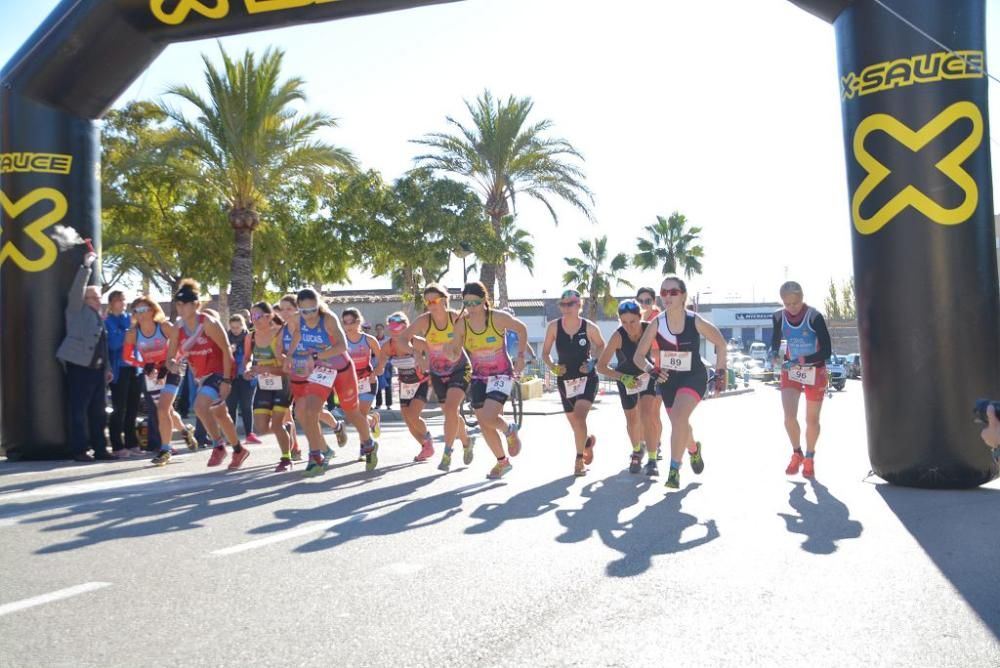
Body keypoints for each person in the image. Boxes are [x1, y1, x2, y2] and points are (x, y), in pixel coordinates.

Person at [634, 276, 727, 490]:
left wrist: (720, 376)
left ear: (683, 295)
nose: (667, 296)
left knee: (678, 419)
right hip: (668, 381)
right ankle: (693, 450)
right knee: (680, 423)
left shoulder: (694, 320)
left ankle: (674, 471)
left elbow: (721, 343)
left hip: (693, 377)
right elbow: (639, 356)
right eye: (663, 292)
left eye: (673, 292)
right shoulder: (657, 323)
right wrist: (653, 371)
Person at [285, 288, 378, 476]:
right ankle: (316, 456)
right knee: (309, 411)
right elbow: (296, 334)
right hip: (322, 370)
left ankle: (369, 444)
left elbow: (342, 346)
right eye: (304, 311)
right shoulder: (296, 319)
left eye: (312, 310)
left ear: (318, 306)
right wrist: (290, 355)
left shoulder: (328, 319)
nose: (309, 315)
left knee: (352, 413)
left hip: (342, 369)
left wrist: (317, 354)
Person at [165, 280, 245, 469]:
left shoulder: (208, 323)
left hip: (219, 371)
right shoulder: (177, 328)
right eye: (178, 304)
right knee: (221, 415)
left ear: (196, 305)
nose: (181, 308)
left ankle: (218, 446)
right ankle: (239, 449)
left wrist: (227, 380)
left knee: (200, 407)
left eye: (185, 304)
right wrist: (173, 365)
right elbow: (170, 358)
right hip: (201, 376)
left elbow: (227, 351)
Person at [452, 282, 527, 478]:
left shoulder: (498, 318)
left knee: (488, 417)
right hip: (478, 376)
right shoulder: (462, 323)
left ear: (484, 300)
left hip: (501, 374)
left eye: (475, 303)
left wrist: (520, 356)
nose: (471, 308)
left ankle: (509, 430)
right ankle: (502, 462)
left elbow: (522, 329)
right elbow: (455, 349)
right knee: (484, 423)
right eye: (466, 303)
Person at [400, 284, 474, 463]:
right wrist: (417, 355)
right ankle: (466, 442)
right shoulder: (425, 320)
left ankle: (447, 452)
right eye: (428, 301)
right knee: (450, 413)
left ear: (444, 300)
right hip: (438, 372)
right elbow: (403, 339)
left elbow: (472, 336)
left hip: (460, 369)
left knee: (450, 409)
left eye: (435, 300)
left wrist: (457, 347)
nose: (431, 304)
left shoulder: (455, 317)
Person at [56, 249, 114, 462]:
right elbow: (76, 290)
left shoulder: (98, 317)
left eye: (100, 297)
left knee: (99, 412)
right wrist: (86, 266)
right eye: (95, 298)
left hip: (97, 371)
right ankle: (79, 450)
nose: (99, 301)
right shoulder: (76, 309)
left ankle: (100, 449)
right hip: (79, 368)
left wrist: (107, 368)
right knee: (79, 411)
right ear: (85, 298)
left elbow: (102, 345)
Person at [769, 281, 832, 478]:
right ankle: (796, 453)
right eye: (787, 304)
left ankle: (810, 457)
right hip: (791, 370)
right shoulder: (778, 317)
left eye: (795, 303)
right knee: (789, 417)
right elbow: (776, 343)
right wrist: (775, 355)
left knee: (811, 419)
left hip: (815, 370)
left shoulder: (814, 316)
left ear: (802, 299)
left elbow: (827, 351)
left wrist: (804, 360)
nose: (792, 308)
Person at [121, 295, 194, 461]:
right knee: (167, 411)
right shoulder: (132, 333)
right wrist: (144, 365)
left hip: (171, 369)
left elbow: (183, 348)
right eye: (136, 310)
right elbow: (126, 357)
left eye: (144, 309)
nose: (140, 314)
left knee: (162, 409)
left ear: (153, 310)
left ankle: (165, 449)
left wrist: (169, 362)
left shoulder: (164, 327)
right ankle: (184, 430)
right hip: (151, 374)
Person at [542, 289, 606, 476]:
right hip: (565, 381)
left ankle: (579, 460)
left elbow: (602, 345)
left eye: (570, 304)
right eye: (562, 304)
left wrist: (593, 362)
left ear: (579, 305)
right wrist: (553, 367)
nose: (566, 308)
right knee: (575, 423)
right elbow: (545, 353)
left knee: (579, 417)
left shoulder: (588, 326)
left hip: (587, 379)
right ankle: (586, 443)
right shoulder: (554, 326)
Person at [597, 299, 660, 476]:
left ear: (640, 317)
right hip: (626, 379)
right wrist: (623, 378)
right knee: (632, 420)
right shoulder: (618, 336)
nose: (628, 326)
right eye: (624, 322)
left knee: (648, 414)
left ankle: (653, 459)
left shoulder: (650, 329)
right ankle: (637, 450)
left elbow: (664, 349)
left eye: (632, 321)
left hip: (647, 376)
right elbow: (601, 366)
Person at [374, 312, 434, 460]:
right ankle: (425, 447)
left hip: (422, 382)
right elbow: (380, 367)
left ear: (407, 328)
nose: (396, 332)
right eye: (392, 328)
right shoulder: (387, 347)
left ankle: (428, 439)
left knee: (413, 414)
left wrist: (432, 375)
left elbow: (434, 357)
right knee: (408, 420)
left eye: (399, 328)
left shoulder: (417, 342)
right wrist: (369, 375)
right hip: (405, 385)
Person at [245, 302, 296, 471]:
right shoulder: (250, 337)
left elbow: (287, 367)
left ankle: (286, 458)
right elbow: (246, 360)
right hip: (264, 384)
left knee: (275, 425)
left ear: (268, 317)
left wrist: (267, 368)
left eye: (257, 316)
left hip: (283, 383)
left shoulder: (279, 335)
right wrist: (247, 370)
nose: (254, 320)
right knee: (261, 427)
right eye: (251, 317)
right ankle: (286, 430)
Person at [342, 308, 383, 459]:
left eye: (351, 322)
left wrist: (375, 372)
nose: (348, 326)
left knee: (360, 415)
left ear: (358, 322)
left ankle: (364, 447)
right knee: (355, 417)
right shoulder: (342, 341)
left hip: (368, 381)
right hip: (349, 383)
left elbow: (382, 358)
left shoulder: (369, 339)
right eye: (344, 323)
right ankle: (373, 421)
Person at [105, 290, 142, 458]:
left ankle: (131, 442)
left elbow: (139, 338)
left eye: (124, 300)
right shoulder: (108, 321)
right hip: (118, 368)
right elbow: (113, 344)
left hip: (135, 367)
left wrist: (126, 335)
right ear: (111, 303)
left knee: (133, 407)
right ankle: (117, 444)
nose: (122, 303)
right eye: (119, 300)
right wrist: (127, 335)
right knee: (120, 408)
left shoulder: (131, 319)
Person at [636, 286, 664, 460]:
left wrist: (647, 357)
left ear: (654, 302)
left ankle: (657, 444)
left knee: (653, 412)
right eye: (640, 301)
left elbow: (659, 350)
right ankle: (640, 446)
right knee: (639, 412)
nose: (644, 304)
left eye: (648, 301)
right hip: (637, 372)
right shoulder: (633, 320)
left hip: (657, 371)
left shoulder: (658, 320)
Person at [225, 314, 258, 444]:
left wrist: (251, 369)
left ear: (243, 326)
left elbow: (255, 355)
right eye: (233, 327)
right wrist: (229, 351)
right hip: (231, 376)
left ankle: (249, 434)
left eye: (237, 327)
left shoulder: (250, 338)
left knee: (246, 405)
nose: (235, 330)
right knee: (231, 406)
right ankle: (231, 435)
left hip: (247, 375)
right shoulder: (226, 338)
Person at [373, 322, 393, 410]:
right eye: (377, 329)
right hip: (377, 365)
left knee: (388, 385)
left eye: (380, 329)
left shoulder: (389, 340)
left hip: (388, 365)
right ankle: (378, 404)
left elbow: (393, 351)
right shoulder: (373, 340)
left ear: (383, 330)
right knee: (378, 385)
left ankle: (389, 404)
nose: (379, 331)